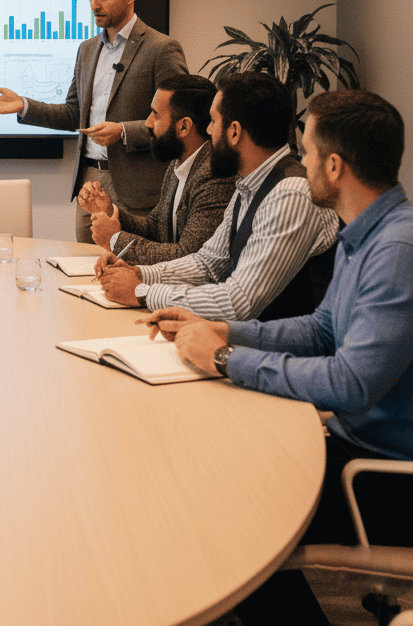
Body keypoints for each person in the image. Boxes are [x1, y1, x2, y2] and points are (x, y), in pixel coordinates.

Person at [141, 89, 413, 626]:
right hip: (350, 444)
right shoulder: (367, 235)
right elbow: (320, 330)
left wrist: (224, 359)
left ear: (334, 166)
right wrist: (222, 329)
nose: (301, 161)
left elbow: (351, 382)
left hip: (381, 478)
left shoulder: (396, 251)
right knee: (210, 476)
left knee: (227, 526)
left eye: (307, 151)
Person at [0, 0, 188, 242]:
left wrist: (123, 131)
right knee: (84, 266)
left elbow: (177, 120)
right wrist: (25, 105)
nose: (94, 5)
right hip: (89, 181)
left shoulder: (161, 48)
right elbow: (74, 114)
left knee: (130, 271)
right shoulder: (87, 50)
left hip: (136, 188)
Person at [97, 72, 338, 319]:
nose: (209, 130)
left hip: (279, 351)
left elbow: (238, 302)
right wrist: (141, 273)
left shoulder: (290, 194)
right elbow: (208, 263)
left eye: (213, 121)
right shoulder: (250, 184)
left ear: (234, 131)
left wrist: (142, 292)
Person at [78, 74, 236, 265]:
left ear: (184, 127)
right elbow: (156, 227)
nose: (147, 123)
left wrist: (115, 240)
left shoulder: (215, 175)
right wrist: (109, 210)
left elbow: (188, 256)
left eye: (156, 114)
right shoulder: (179, 162)